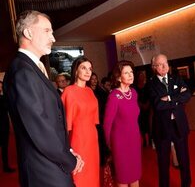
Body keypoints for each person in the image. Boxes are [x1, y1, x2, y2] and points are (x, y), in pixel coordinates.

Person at [3, 10, 84, 187]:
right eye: (47, 31)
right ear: (28, 32)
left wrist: (68, 152)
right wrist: (69, 159)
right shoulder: (23, 71)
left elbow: (50, 121)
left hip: (51, 164)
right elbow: (40, 128)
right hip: (43, 171)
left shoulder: (32, 67)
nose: (53, 38)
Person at [148, 54, 191, 187]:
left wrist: (170, 98)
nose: (165, 66)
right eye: (160, 64)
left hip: (179, 125)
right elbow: (158, 105)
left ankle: (186, 184)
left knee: (183, 159)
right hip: (162, 127)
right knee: (163, 162)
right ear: (154, 67)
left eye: (166, 63)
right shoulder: (151, 84)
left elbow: (187, 95)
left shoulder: (176, 78)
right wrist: (177, 98)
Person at [61, 56, 100, 187]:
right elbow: (64, 125)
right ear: (76, 71)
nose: (88, 71)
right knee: (80, 176)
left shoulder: (90, 91)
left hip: (92, 140)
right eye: (84, 68)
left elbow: (94, 120)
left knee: (93, 175)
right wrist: (68, 149)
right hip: (78, 140)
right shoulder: (69, 91)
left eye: (90, 69)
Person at [103, 60, 141, 187]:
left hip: (134, 140)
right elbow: (107, 124)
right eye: (126, 73)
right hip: (120, 144)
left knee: (135, 174)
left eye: (131, 72)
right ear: (119, 77)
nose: (131, 75)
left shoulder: (134, 93)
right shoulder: (114, 96)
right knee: (123, 177)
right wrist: (110, 146)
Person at [0, 81, 15, 173]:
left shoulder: (4, 97)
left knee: (5, 147)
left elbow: (8, 107)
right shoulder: (3, 98)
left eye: (1, 86)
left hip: (4, 124)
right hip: (2, 123)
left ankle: (6, 166)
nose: (0, 88)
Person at [134, 71, 151, 147]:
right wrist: (141, 105)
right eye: (140, 75)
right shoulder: (135, 87)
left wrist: (147, 105)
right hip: (139, 109)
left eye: (143, 75)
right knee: (141, 124)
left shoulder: (147, 86)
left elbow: (150, 96)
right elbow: (135, 98)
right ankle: (144, 140)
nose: (142, 77)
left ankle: (149, 141)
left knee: (148, 124)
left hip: (148, 108)